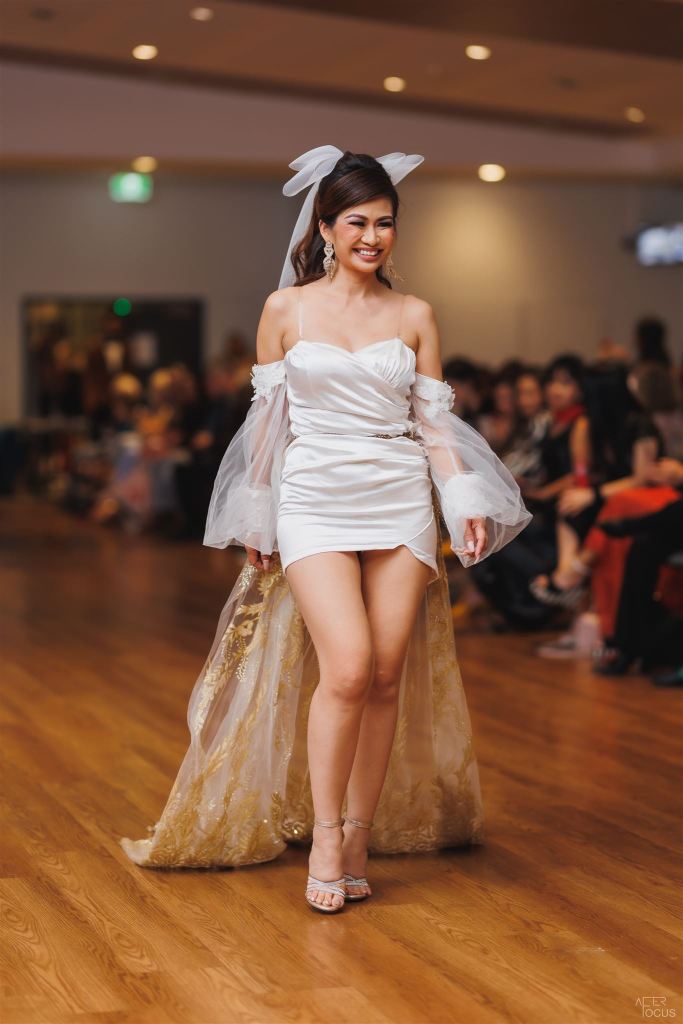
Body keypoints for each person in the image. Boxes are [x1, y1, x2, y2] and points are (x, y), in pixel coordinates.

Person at [120, 146, 531, 914]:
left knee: (384, 674)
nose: (372, 236)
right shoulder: (285, 309)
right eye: (356, 222)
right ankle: (326, 836)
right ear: (325, 227)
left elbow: (434, 423)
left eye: (384, 223)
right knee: (346, 668)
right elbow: (269, 420)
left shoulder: (414, 315)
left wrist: (463, 499)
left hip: (398, 497)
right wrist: (256, 508)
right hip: (313, 497)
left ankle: (359, 833)